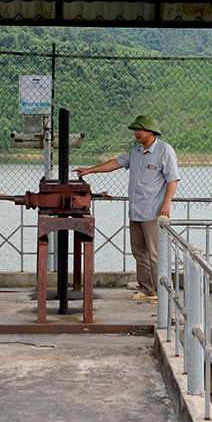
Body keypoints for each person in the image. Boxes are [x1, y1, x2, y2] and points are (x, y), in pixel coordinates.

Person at [75, 115, 179, 302]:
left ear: (150, 131)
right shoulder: (136, 152)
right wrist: (89, 170)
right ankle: (148, 289)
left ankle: (163, 293)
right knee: (139, 252)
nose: (135, 133)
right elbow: (115, 163)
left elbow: (173, 179)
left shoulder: (165, 151)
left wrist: (166, 204)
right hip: (136, 211)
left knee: (155, 254)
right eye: (135, 130)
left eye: (139, 130)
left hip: (153, 212)